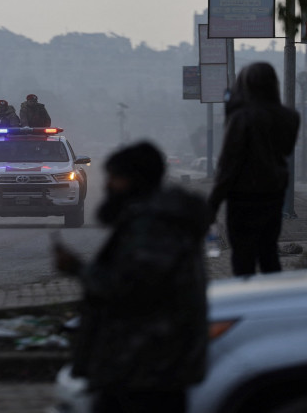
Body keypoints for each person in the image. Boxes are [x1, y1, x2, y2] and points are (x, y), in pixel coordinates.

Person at [53, 141, 209, 413]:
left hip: (147, 367)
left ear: (135, 180)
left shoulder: (156, 226)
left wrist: (78, 269)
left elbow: (129, 288)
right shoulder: (152, 219)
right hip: (141, 365)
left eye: (115, 178)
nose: (107, 185)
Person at [208, 62, 300, 277]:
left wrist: (213, 202)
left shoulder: (241, 117)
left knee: (243, 256)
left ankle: (246, 293)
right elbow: (285, 150)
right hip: (274, 193)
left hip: (243, 197)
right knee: (269, 252)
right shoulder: (290, 116)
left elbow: (229, 163)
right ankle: (274, 293)